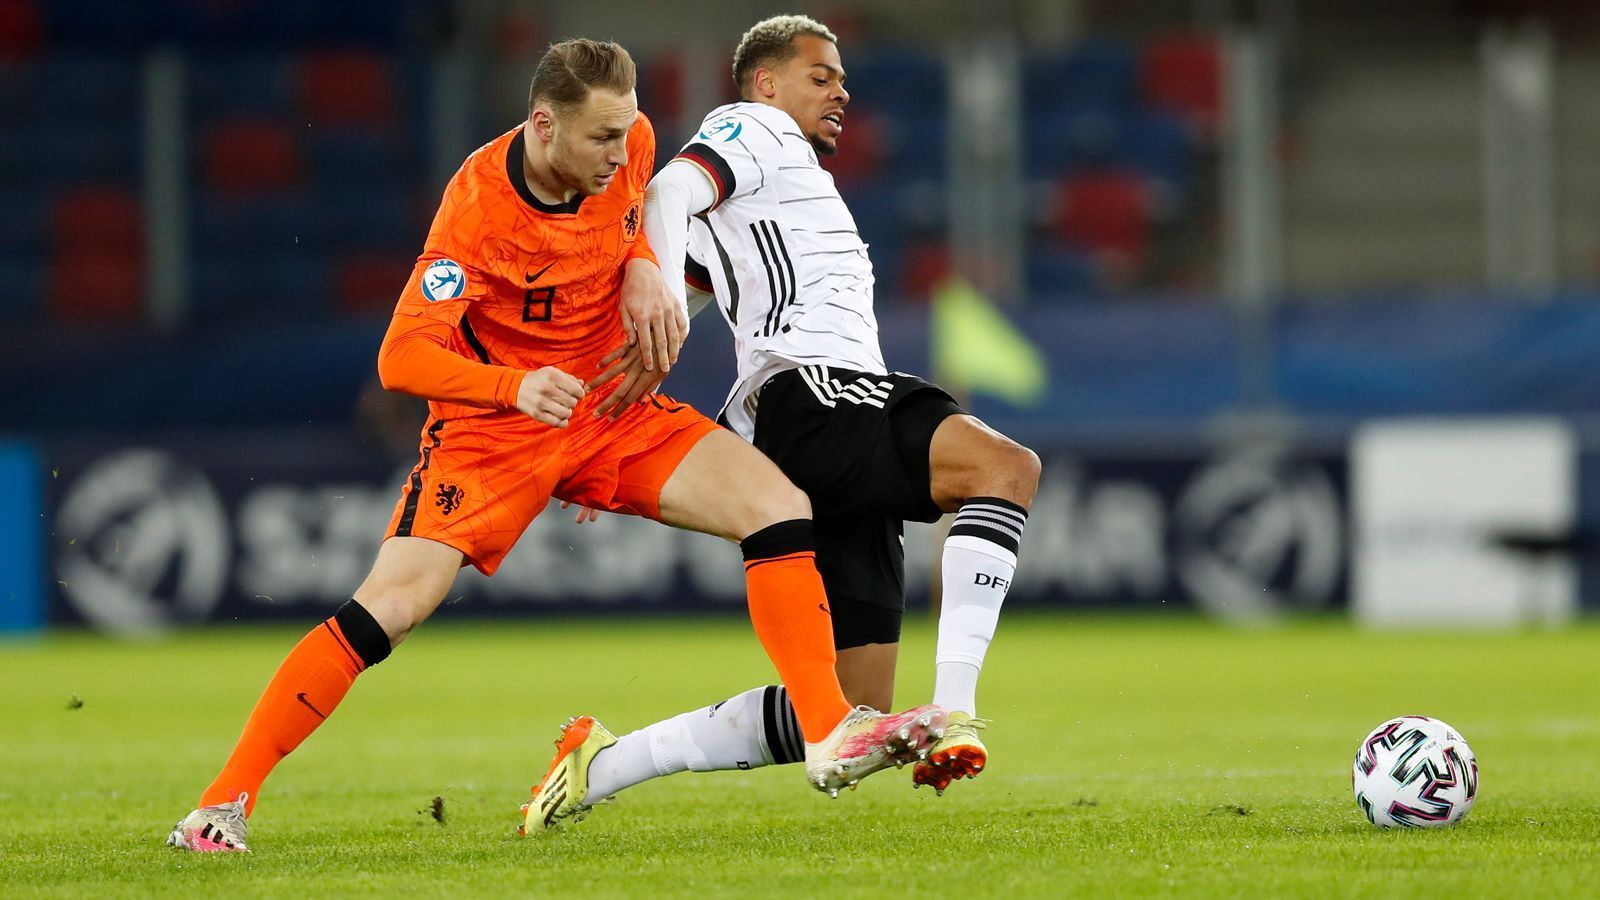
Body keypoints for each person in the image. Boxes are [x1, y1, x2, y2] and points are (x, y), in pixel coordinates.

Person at [166, 38, 946, 854]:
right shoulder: (475, 208)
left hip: (610, 412)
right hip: (495, 430)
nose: (624, 152)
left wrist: (647, 263)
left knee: (778, 505)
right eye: (602, 138)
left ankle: (828, 733)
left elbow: (649, 213)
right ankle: (219, 806)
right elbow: (401, 357)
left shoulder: (633, 144)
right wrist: (515, 386)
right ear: (543, 126)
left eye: (628, 131)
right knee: (391, 609)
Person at [521, 16, 1040, 831]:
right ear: (766, 83)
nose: (842, 90)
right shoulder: (753, 128)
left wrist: (600, 418)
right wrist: (648, 277)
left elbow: (686, 293)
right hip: (815, 393)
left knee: (848, 707)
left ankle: (603, 763)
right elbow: (669, 190)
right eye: (821, 75)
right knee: (1006, 470)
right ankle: (956, 711)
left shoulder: (773, 185)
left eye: (841, 78)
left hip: (806, 413)